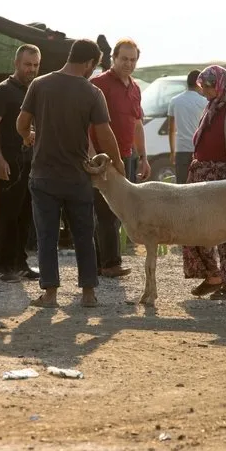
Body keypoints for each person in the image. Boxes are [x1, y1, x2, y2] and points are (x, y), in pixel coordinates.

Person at [17, 39, 125, 308]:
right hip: (78, 176)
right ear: (89, 63)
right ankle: (88, 293)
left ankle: (50, 294)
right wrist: (119, 163)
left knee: (47, 237)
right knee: (84, 236)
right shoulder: (92, 93)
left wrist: (29, 136)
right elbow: (104, 134)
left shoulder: (39, 84)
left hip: (43, 175)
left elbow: (21, 123)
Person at [182, 65, 226, 300]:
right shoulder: (210, 108)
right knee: (191, 228)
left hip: (225, 181)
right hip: (201, 178)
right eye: (204, 87)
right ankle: (213, 275)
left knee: (225, 235)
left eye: (210, 86)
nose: (206, 91)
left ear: (222, 85)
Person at [88, 38, 151, 278]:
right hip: (102, 160)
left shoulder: (134, 87)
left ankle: (103, 263)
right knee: (105, 211)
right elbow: (86, 122)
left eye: (132, 59)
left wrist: (143, 156)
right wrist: (93, 156)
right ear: (113, 58)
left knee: (120, 210)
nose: (128, 63)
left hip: (126, 157)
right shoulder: (98, 84)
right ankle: (109, 263)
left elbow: (136, 124)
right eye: (124, 59)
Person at [0, 44, 42, 283]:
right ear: (16, 64)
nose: (31, 69)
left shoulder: (34, 91)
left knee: (24, 215)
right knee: (6, 215)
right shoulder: (4, 91)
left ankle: (20, 263)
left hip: (29, 163)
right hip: (8, 162)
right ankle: (0, 266)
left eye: (36, 65)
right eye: (27, 64)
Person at [168, 70, 207, 184]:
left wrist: (172, 152)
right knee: (199, 185)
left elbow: (171, 129)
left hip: (181, 149)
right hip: (199, 150)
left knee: (182, 186)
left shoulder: (174, 101)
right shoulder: (205, 102)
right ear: (199, 83)